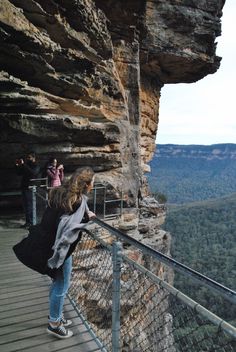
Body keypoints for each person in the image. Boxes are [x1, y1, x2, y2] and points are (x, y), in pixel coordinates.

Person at [13, 167, 96, 339]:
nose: (93, 186)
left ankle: (56, 315)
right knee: (61, 285)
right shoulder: (77, 201)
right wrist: (86, 218)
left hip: (45, 242)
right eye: (92, 182)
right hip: (59, 249)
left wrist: (84, 215)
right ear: (86, 184)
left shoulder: (60, 192)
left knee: (57, 282)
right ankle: (54, 323)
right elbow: (68, 229)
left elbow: (61, 217)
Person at [15, 151, 41, 228]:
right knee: (25, 206)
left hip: (30, 188)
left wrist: (24, 165)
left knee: (30, 205)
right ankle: (28, 222)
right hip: (24, 187)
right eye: (27, 157)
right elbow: (19, 173)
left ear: (34, 158)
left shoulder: (36, 166)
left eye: (29, 157)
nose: (28, 159)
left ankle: (32, 222)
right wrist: (17, 166)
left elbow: (33, 173)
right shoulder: (27, 165)